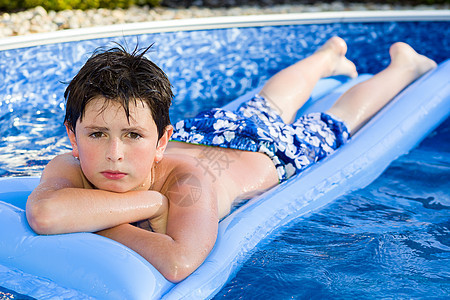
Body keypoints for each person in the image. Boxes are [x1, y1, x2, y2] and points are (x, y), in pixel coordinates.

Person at [25, 37, 436, 282]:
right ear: (72, 137)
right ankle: (326, 58)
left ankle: (402, 67)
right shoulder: (70, 165)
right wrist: (148, 204)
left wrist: (97, 221)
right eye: (97, 134)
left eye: (133, 135)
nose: (114, 153)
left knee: (334, 122)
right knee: (266, 103)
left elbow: (178, 261)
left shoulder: (185, 184)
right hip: (204, 133)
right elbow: (45, 215)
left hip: (268, 155)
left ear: (159, 141)